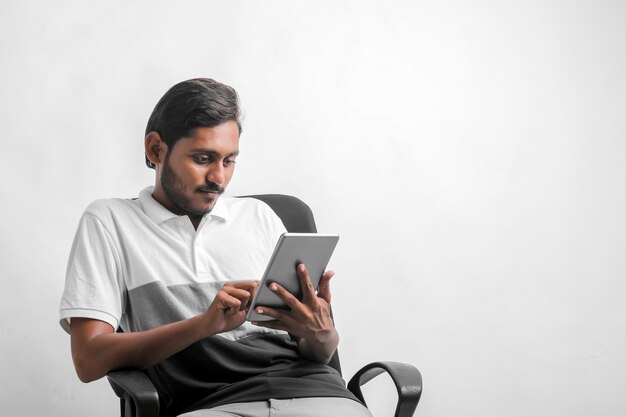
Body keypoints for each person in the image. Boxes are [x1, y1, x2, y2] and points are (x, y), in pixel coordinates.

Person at [59, 78, 372, 417]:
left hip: (315, 394)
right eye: (203, 158)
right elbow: (88, 360)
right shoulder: (109, 221)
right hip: (210, 404)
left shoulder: (260, 217)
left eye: (229, 161)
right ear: (155, 150)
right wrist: (204, 324)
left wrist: (322, 333)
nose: (218, 178)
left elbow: (317, 352)